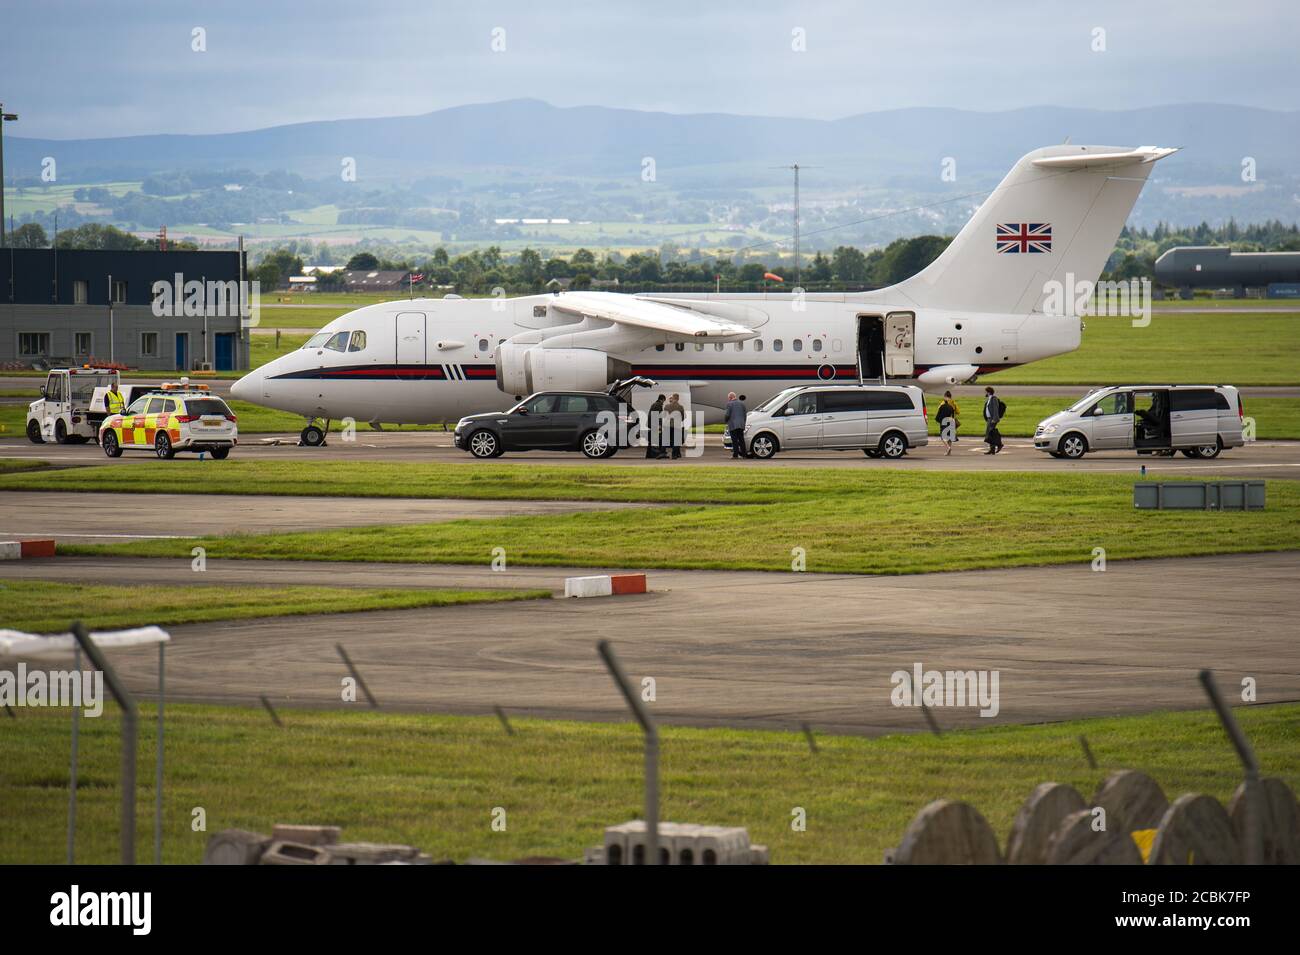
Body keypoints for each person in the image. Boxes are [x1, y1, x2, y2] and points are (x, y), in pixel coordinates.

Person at [935, 391, 960, 455]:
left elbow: (939, 410)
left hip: (944, 421)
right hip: (952, 420)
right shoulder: (953, 403)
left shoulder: (943, 403)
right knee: (950, 436)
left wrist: (938, 420)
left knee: (943, 436)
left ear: (945, 396)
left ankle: (948, 448)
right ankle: (949, 451)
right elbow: (958, 412)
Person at [724, 391, 747, 459]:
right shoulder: (742, 404)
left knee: (734, 441)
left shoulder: (729, 404)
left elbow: (727, 414)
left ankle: (735, 455)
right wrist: (743, 423)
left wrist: (726, 421)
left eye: (728, 398)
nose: (728, 399)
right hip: (741, 424)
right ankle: (744, 454)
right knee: (741, 440)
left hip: (733, 425)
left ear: (730, 397)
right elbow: (745, 415)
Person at [982, 386, 1005, 455]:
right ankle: (992, 449)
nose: (985, 393)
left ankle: (999, 444)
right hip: (989, 419)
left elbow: (995, 409)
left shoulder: (994, 399)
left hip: (992, 419)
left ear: (988, 392)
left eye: (985, 392)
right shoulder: (989, 399)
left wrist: (994, 419)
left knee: (990, 434)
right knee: (991, 434)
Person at [664, 393, 685, 459]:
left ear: (673, 398)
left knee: (667, 440)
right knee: (676, 440)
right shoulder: (680, 407)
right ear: (678, 398)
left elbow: (664, 415)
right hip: (676, 426)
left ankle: (663, 452)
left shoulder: (667, 406)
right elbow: (682, 417)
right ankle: (674, 454)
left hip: (667, 425)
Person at [645, 393, 666, 459]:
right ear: (662, 399)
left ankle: (648, 455)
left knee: (651, 440)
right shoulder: (658, 405)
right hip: (655, 425)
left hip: (651, 424)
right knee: (655, 439)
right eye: (664, 401)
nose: (663, 402)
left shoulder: (654, 404)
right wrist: (659, 425)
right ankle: (654, 454)